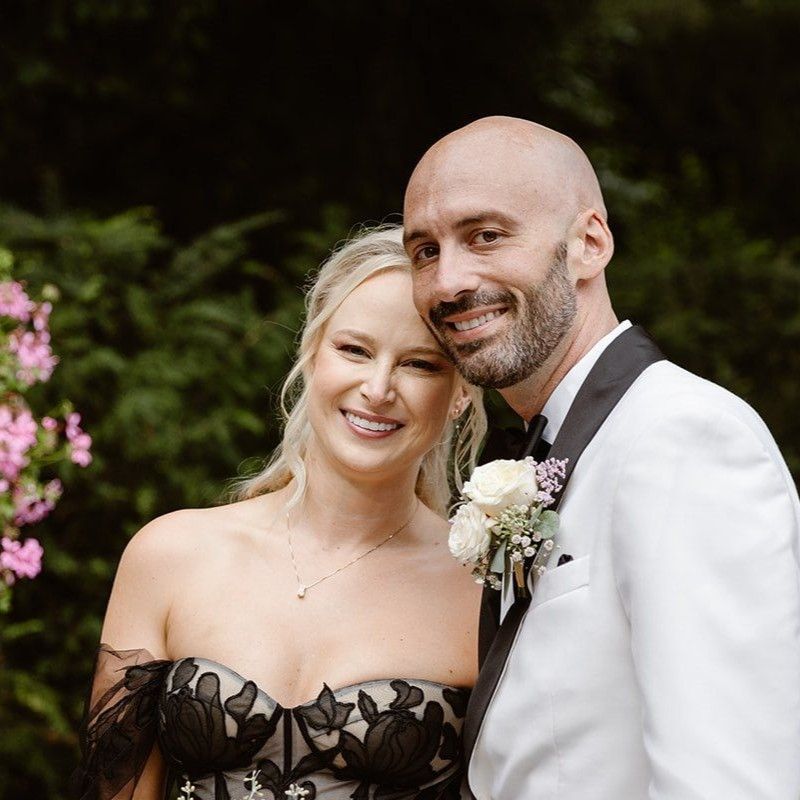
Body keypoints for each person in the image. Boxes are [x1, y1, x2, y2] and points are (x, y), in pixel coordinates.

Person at [403, 116, 800, 799]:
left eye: (485, 236)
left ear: (589, 243)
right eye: (424, 251)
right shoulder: (559, 444)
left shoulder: (683, 438)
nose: (447, 283)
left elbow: (729, 782)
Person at [70, 225, 487, 800]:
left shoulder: (482, 587)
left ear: (461, 390)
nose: (378, 387)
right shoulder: (170, 556)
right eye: (355, 350)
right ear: (312, 354)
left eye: (420, 364)